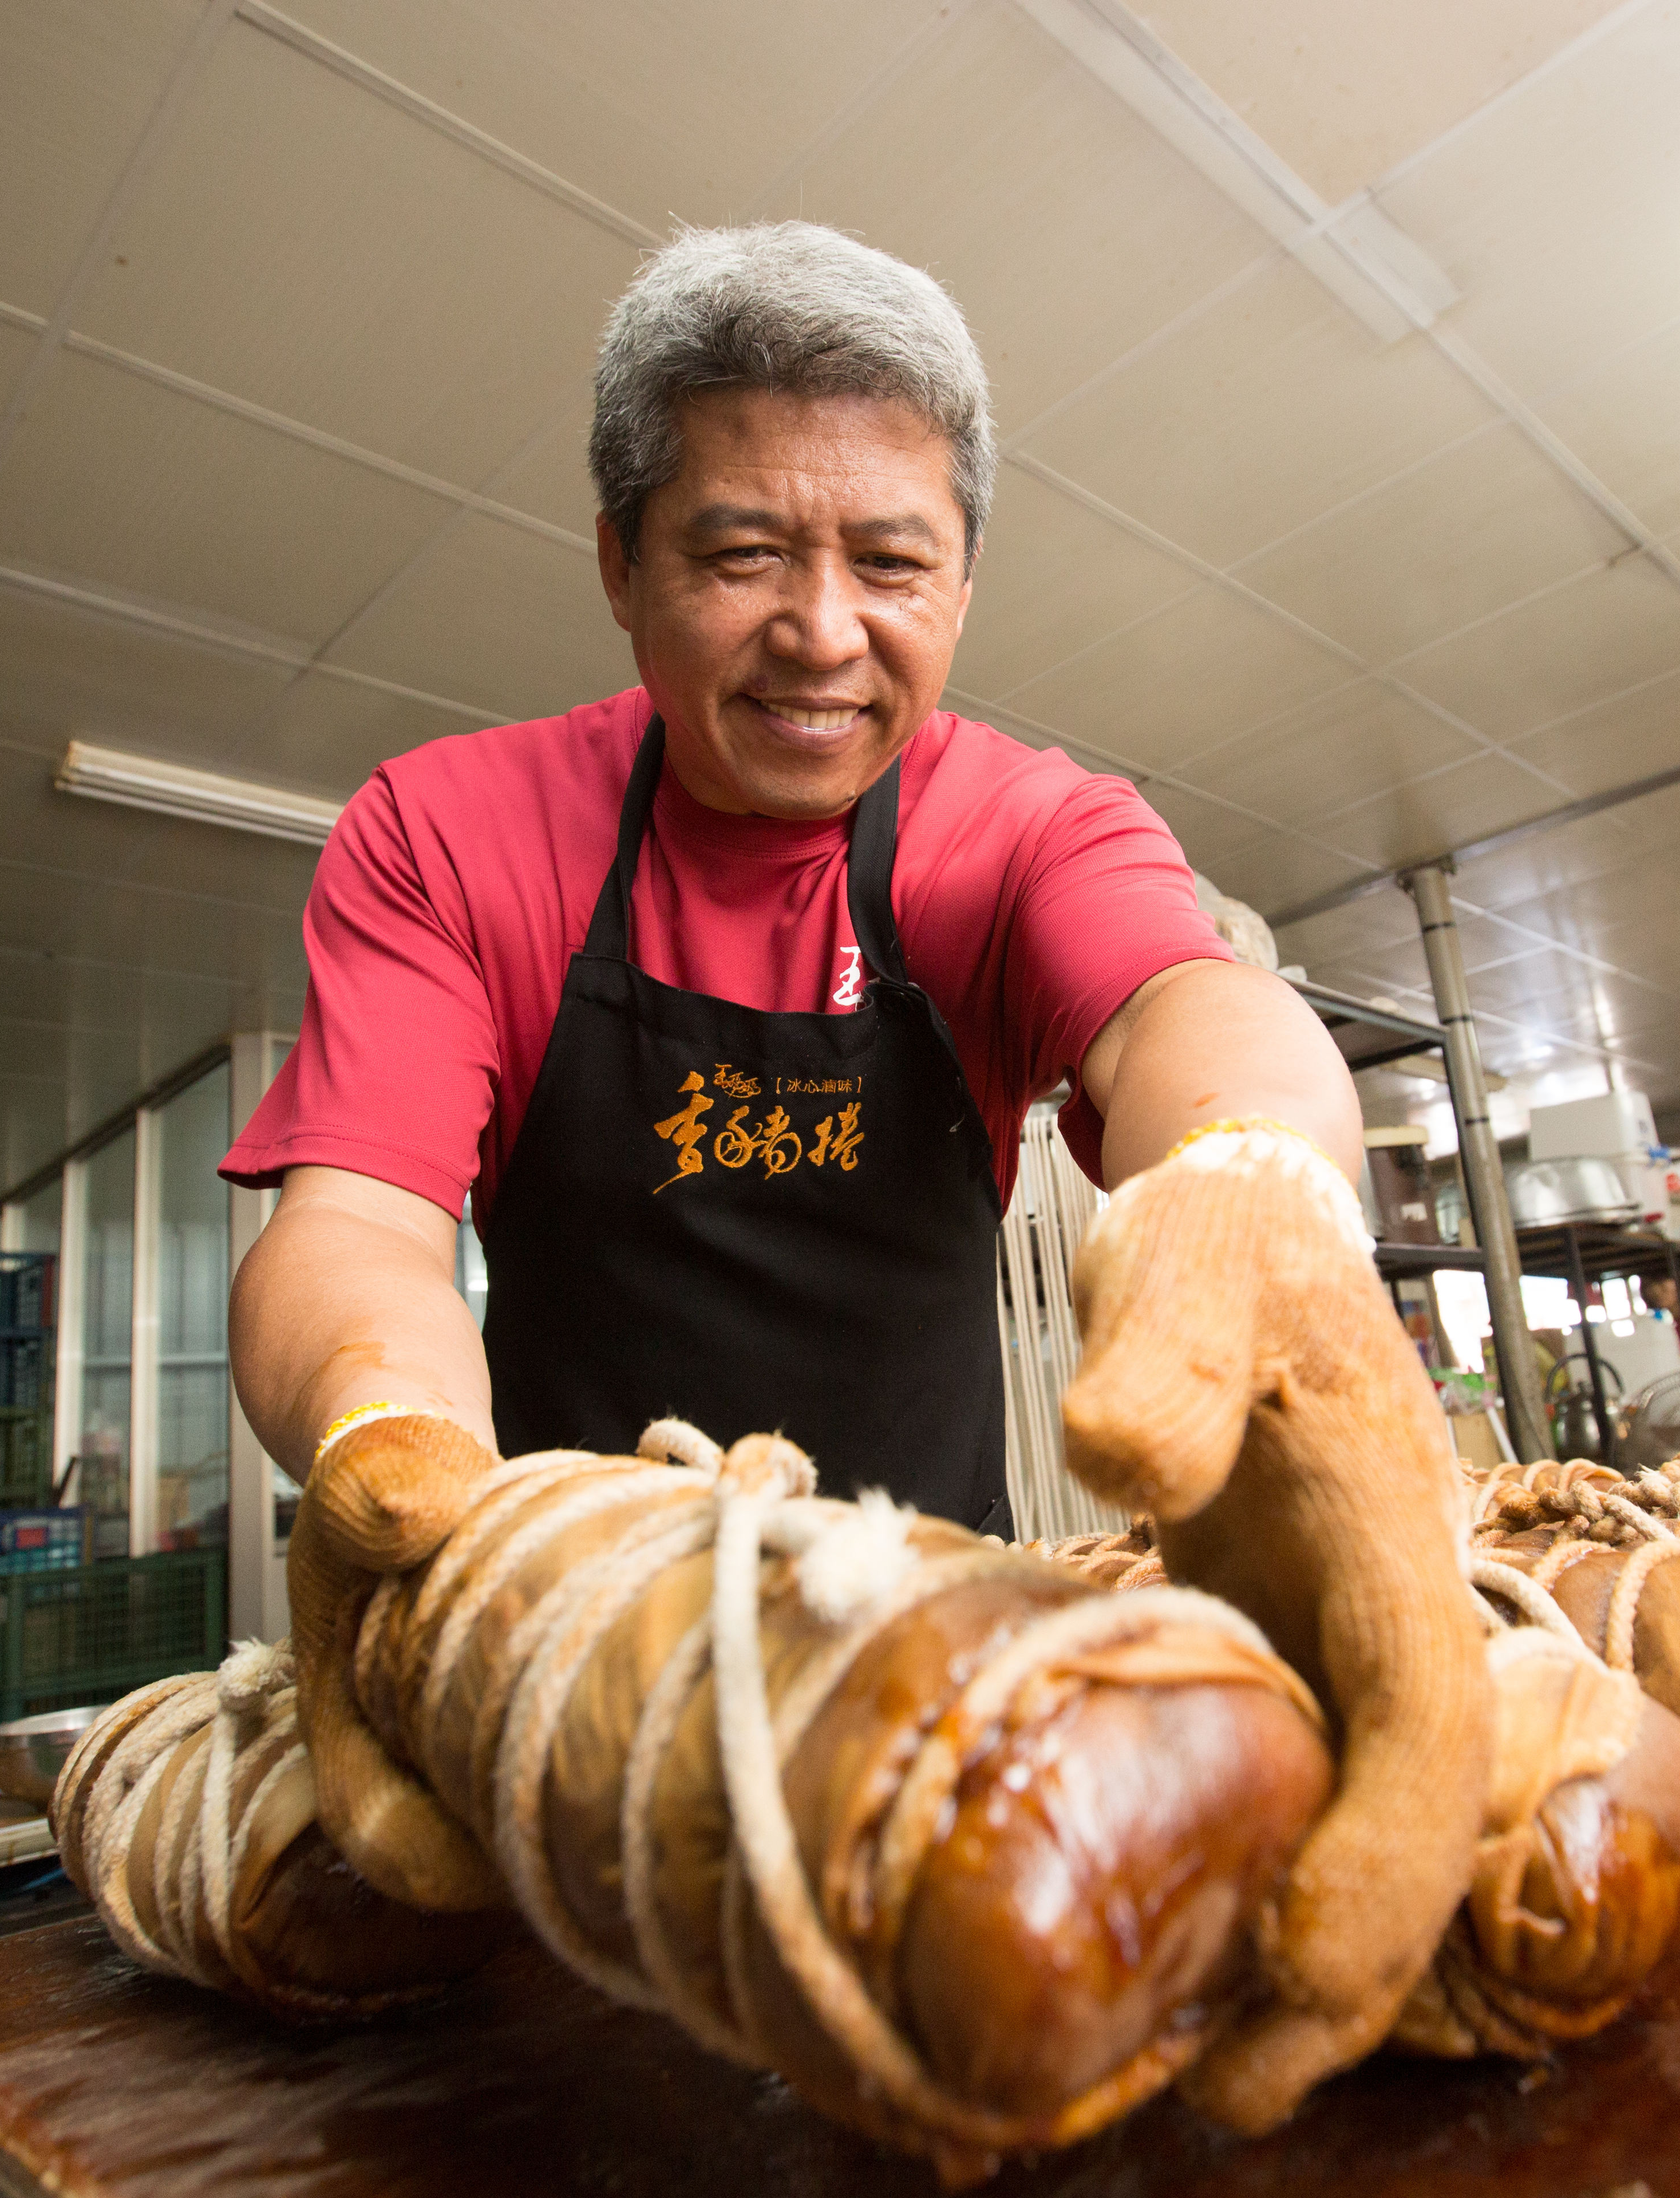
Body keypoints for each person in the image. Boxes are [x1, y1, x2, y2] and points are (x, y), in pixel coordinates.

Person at [218, 223, 1485, 2121]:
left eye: (891, 561)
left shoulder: (1021, 826)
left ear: (962, 579)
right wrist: (382, 1431)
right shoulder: (454, 833)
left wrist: (1256, 1187)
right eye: (744, 554)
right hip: (578, 1695)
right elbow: (361, 1224)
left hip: (944, 1671)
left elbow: (1188, 1014)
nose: (826, 630)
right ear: (622, 565)